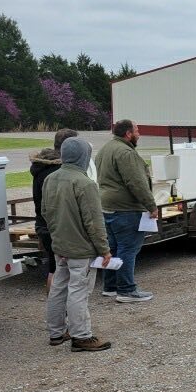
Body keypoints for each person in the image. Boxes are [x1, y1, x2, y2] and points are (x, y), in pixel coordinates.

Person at [41, 137, 113, 352]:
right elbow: (94, 221)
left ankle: (56, 332)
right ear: (84, 156)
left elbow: (45, 212)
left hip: (60, 243)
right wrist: (104, 249)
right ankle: (81, 336)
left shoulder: (50, 179)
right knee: (78, 290)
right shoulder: (84, 183)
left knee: (59, 287)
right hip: (80, 248)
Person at [94, 119, 158, 303]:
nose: (139, 134)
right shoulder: (126, 152)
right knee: (128, 248)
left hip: (107, 207)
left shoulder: (106, 149)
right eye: (137, 131)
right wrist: (151, 205)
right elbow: (136, 182)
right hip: (126, 208)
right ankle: (127, 290)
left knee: (113, 247)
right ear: (128, 134)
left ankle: (111, 286)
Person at [30, 128, 79, 292]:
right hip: (58, 226)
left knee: (53, 268)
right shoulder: (58, 171)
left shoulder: (40, 168)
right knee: (63, 272)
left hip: (43, 223)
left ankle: (55, 309)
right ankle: (60, 310)